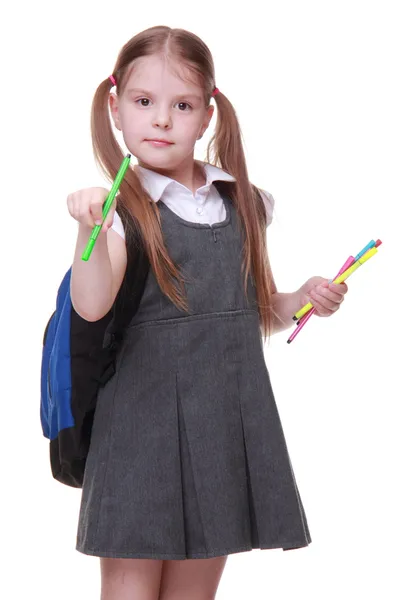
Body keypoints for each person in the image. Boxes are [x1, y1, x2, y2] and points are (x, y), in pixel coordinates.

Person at [67, 25, 348, 600]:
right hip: (138, 435)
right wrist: (88, 231)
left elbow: (251, 309)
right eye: (145, 103)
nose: (162, 120)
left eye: (183, 105)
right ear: (117, 108)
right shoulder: (118, 211)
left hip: (223, 426)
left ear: (208, 115)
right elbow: (91, 305)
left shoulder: (245, 203)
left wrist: (303, 297)